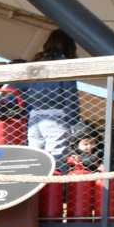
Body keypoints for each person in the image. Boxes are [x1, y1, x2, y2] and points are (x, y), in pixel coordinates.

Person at [18, 30, 83, 158]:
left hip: (35, 114)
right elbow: (70, 94)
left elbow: (21, 88)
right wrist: (74, 121)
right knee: (56, 155)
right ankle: (56, 177)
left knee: (34, 156)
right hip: (56, 113)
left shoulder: (36, 62)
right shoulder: (63, 63)